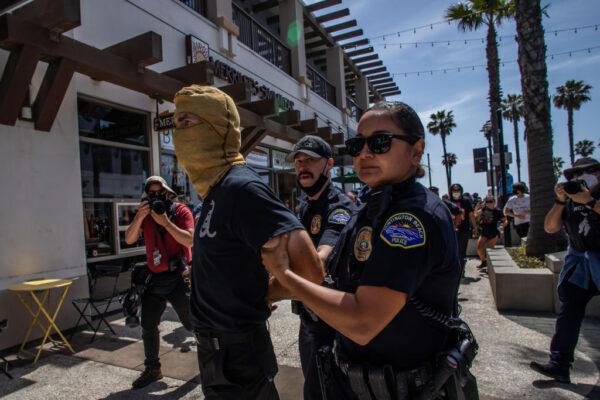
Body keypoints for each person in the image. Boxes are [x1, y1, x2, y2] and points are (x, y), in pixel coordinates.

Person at [262, 102, 470, 399]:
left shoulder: (410, 219)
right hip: (355, 379)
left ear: (416, 149)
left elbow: (363, 321)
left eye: (380, 142)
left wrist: (282, 273)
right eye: (357, 144)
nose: (365, 153)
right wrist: (265, 294)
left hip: (399, 387)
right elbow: (328, 279)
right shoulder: (371, 208)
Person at [172, 85, 324, 400]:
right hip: (216, 353)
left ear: (218, 127)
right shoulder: (215, 192)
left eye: (188, 122)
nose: (179, 133)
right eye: (177, 123)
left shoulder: (242, 188)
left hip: (240, 353)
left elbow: (311, 272)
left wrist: (266, 292)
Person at [287, 135, 357, 400]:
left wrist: (275, 287)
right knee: (313, 386)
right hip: (310, 316)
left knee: (326, 392)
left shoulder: (339, 206)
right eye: (298, 161)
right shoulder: (305, 204)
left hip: (334, 323)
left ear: (328, 165)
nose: (303, 166)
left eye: (310, 160)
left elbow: (320, 259)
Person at [531, 157, 600, 384]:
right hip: (580, 261)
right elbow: (550, 227)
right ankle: (559, 364)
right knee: (569, 310)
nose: (579, 177)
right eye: (574, 174)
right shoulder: (569, 198)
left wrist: (589, 201)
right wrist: (560, 201)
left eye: (588, 171)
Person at [124, 176, 194, 389]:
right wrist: (139, 216)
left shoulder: (180, 211)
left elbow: (189, 239)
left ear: (168, 193)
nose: (156, 198)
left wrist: (166, 222)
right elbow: (128, 239)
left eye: (160, 193)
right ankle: (153, 368)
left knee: (193, 323)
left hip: (179, 277)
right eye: (151, 194)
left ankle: (212, 361)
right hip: (155, 279)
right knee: (147, 325)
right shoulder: (145, 217)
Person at [449, 183, 477, 273]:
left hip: (464, 229)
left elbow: (471, 215)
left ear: (461, 191)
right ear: (451, 192)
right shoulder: (448, 201)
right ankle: (453, 269)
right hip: (451, 230)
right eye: (454, 190)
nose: (456, 192)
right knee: (453, 250)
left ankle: (461, 270)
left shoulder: (466, 201)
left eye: (458, 190)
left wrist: (475, 227)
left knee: (462, 250)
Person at [474, 196, 506, 269]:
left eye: (491, 201)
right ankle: (483, 261)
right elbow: (475, 215)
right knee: (479, 248)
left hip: (493, 232)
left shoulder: (498, 211)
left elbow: (505, 220)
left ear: (494, 202)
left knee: (489, 250)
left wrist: (502, 226)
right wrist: (476, 207)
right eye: (487, 202)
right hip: (484, 232)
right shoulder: (483, 209)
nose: (489, 203)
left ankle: (489, 266)